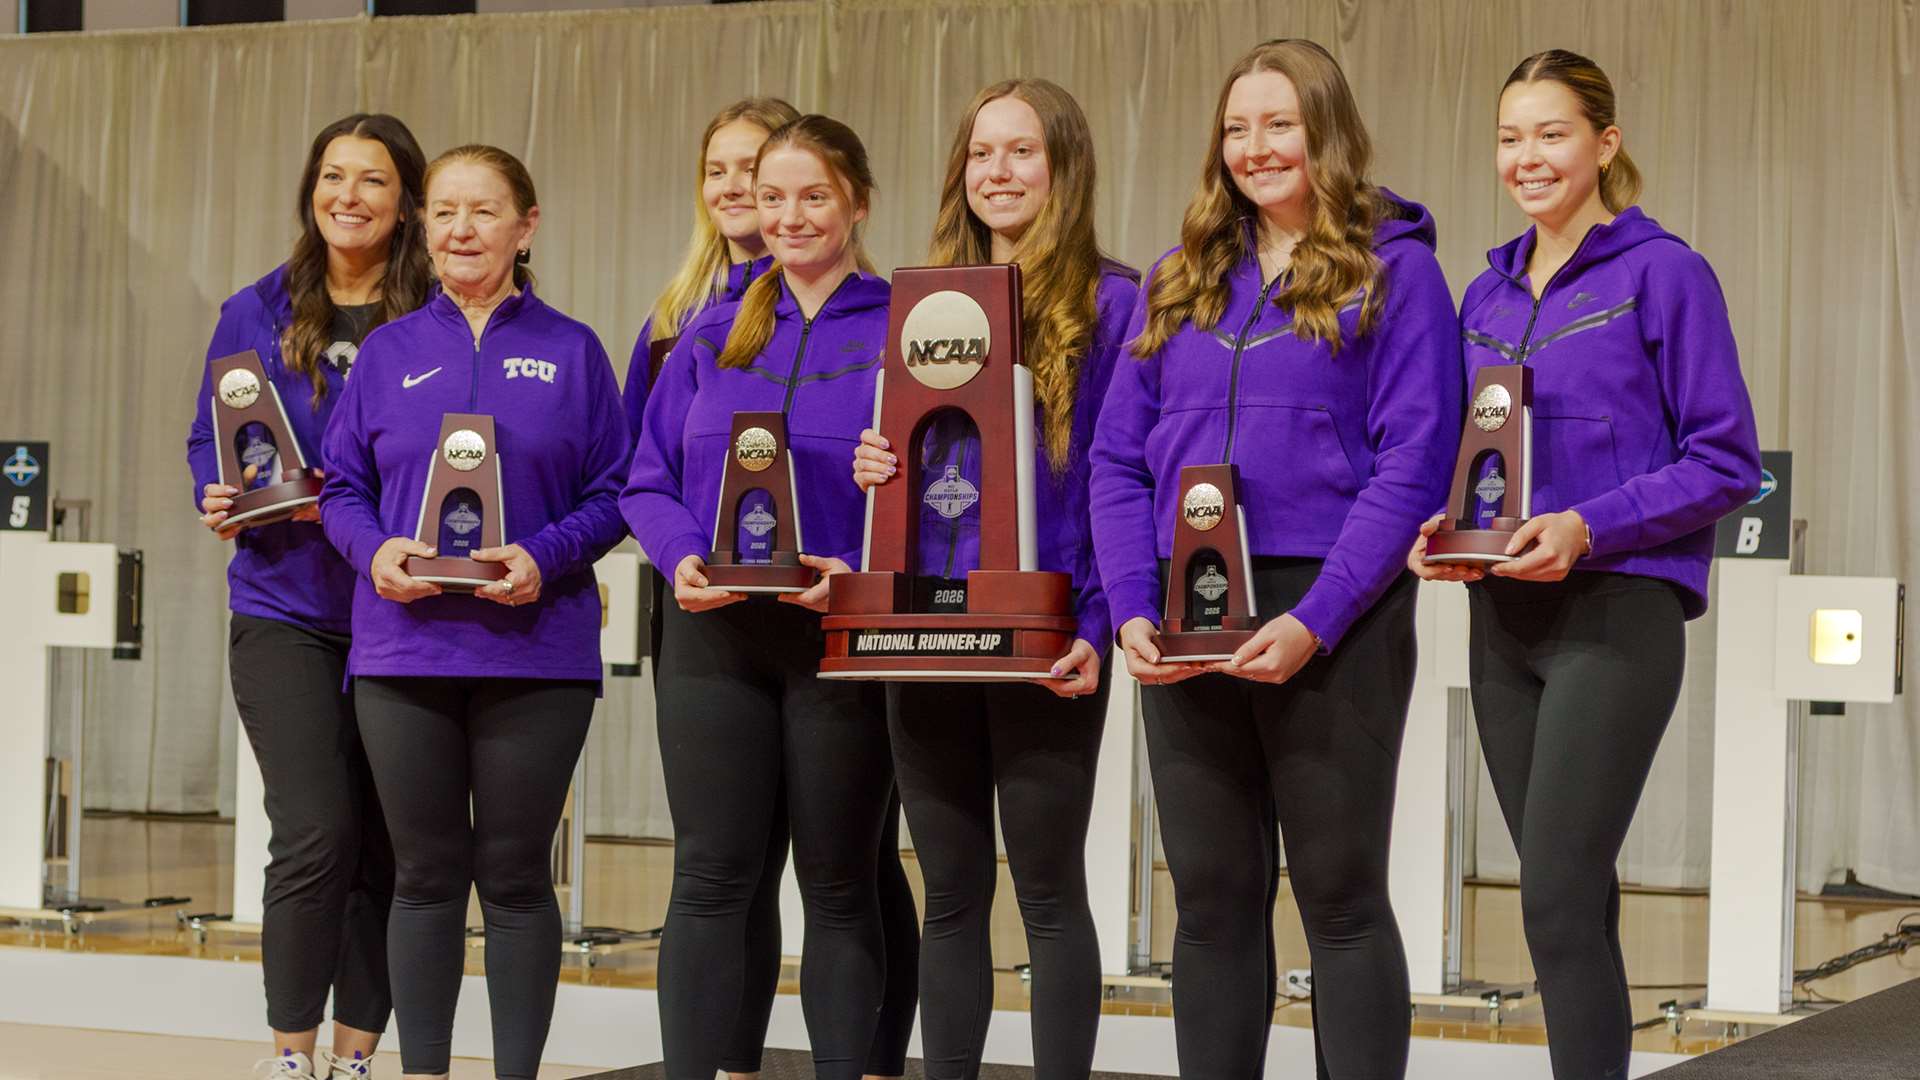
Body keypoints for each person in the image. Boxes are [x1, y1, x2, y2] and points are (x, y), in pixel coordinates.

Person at [1089, 38, 1462, 1079]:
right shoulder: (1178, 282)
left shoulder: (1401, 272)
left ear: (1327, 133)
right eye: (1237, 127)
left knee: (1339, 896)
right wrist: (1129, 606)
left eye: (1280, 124)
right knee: (1207, 897)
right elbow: (1117, 462)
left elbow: (1414, 462)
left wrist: (1318, 618)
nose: (1255, 147)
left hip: (1330, 608)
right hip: (1186, 606)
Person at [1407, 48, 1761, 1080]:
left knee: (1555, 894)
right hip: (1503, 620)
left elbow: (1725, 458)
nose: (1528, 157)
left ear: (1606, 143)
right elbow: (1460, 454)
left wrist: (1587, 528)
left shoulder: (1666, 274)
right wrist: (1440, 523)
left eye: (1552, 133)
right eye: (1511, 137)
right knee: (1571, 901)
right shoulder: (1481, 292)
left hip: (1617, 615)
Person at [319, 144, 630, 1080]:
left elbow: (616, 490)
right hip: (403, 652)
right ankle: (424, 1072)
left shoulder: (573, 350)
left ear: (525, 227)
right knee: (422, 877)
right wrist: (375, 553)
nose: (460, 230)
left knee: (516, 879)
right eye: (444, 211)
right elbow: (341, 488)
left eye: (484, 211)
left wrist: (545, 554)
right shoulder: (387, 351)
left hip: (537, 651)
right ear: (424, 224)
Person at [849, 77, 1135, 1080]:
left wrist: (1095, 628)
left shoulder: (1116, 302)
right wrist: (874, 471)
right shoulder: (920, 305)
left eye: (1022, 153)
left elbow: (1117, 480)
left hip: (1047, 632)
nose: (999, 172)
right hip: (923, 631)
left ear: (1063, 168)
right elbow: (912, 474)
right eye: (982, 153)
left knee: (1051, 890)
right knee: (952, 892)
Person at [627, 98, 919, 1080]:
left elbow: (947, 492)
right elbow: (646, 478)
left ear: (859, 203)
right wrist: (682, 560)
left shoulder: (905, 333)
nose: (790, 216)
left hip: (838, 636)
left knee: (840, 885)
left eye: (814, 197)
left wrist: (862, 565)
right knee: (710, 878)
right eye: (771, 197)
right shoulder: (711, 332)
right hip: (715, 638)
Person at [188, 112, 431, 1080]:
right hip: (285, 607)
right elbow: (212, 437)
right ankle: (291, 1053)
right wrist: (215, 491)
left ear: (406, 198)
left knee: (385, 838)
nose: (349, 196)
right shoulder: (256, 306)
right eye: (334, 175)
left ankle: (359, 1052)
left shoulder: (436, 318)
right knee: (316, 830)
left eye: (373, 180)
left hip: (403, 616)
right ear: (311, 187)